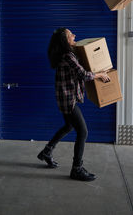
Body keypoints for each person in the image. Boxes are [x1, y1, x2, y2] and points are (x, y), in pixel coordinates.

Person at [37, 28, 110, 181]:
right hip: (68, 100)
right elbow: (82, 74)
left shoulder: (67, 55)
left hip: (64, 99)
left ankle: (47, 151)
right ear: (65, 40)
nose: (75, 35)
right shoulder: (68, 56)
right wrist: (100, 75)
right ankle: (76, 169)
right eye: (71, 34)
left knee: (69, 126)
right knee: (83, 132)